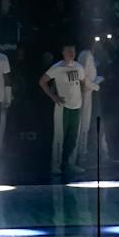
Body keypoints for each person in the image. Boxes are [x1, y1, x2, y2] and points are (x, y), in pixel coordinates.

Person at [40, 44, 92, 178]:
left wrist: (83, 96)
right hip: (63, 107)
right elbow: (42, 81)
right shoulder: (57, 67)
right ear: (63, 52)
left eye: (73, 51)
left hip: (76, 106)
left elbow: (82, 83)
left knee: (73, 138)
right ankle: (56, 165)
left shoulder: (79, 67)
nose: (71, 53)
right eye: (68, 50)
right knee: (60, 137)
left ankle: (70, 163)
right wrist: (54, 97)